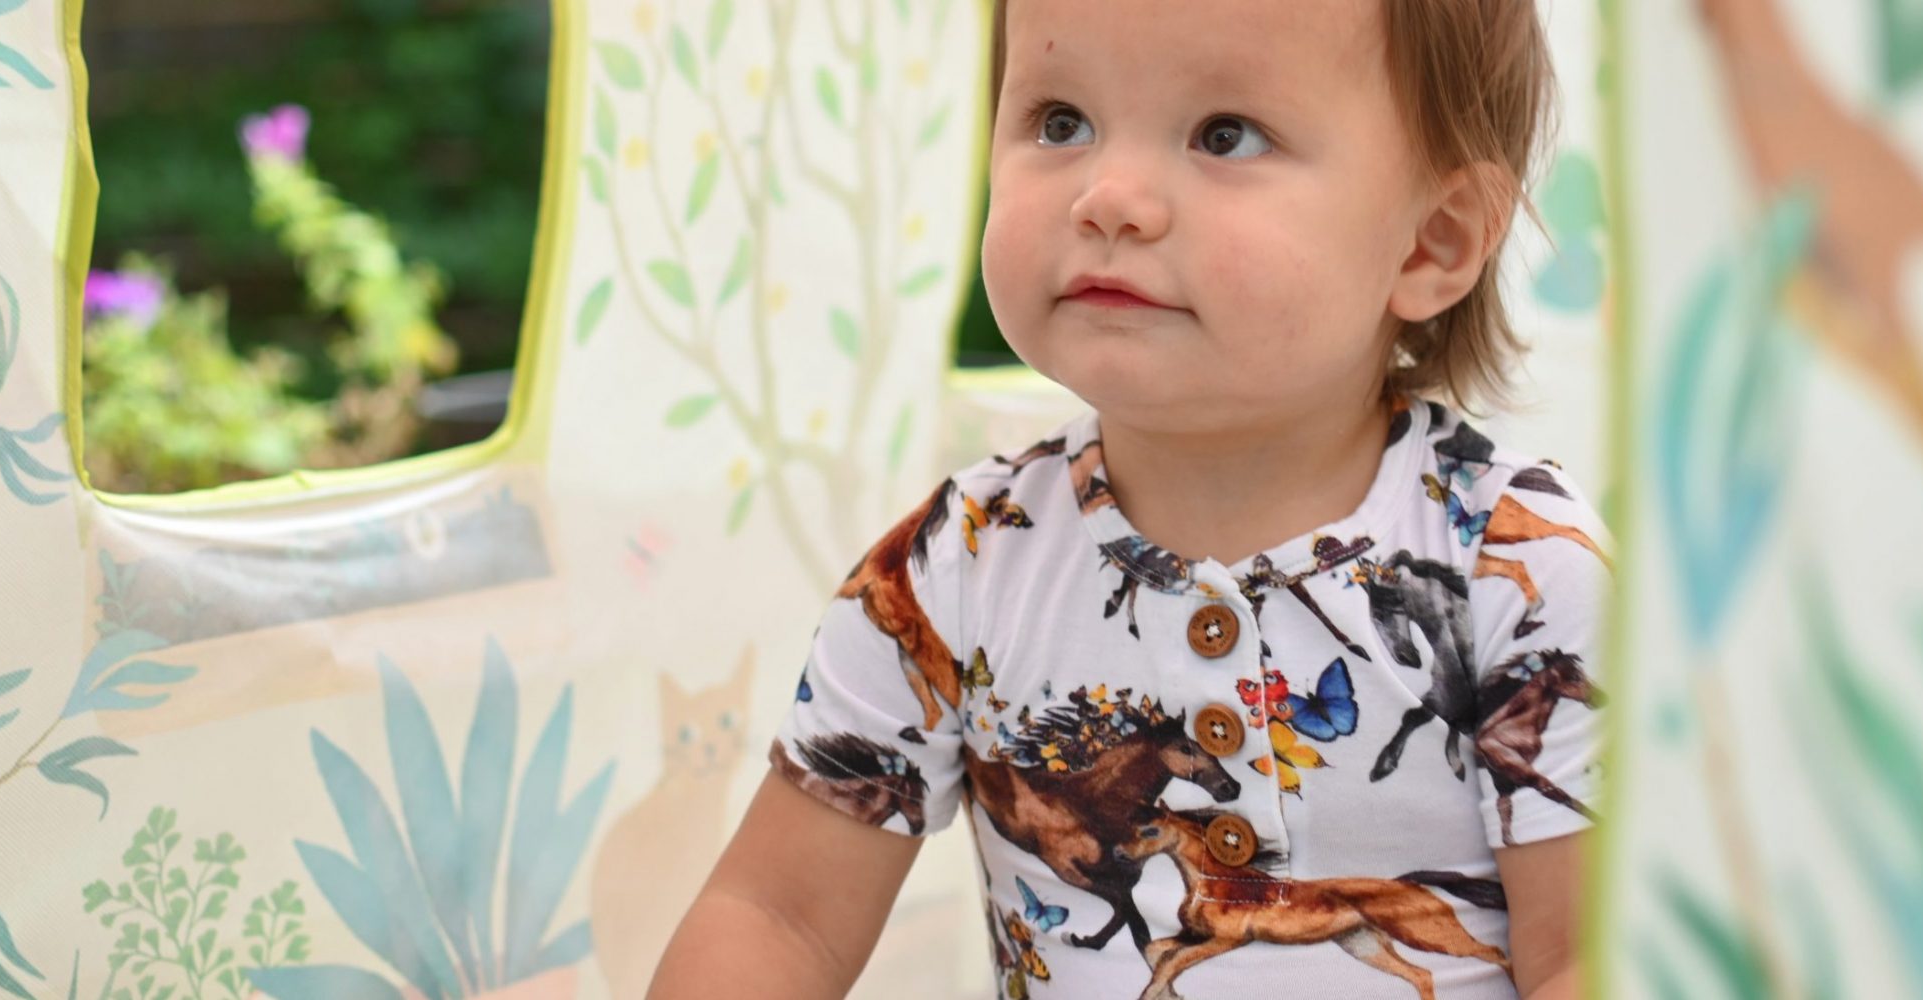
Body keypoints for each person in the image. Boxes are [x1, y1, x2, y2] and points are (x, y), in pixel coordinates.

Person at [653, 1, 1608, 997]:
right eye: (1060, 122)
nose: (1108, 198)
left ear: (1430, 244)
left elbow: (1588, 960)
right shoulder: (953, 569)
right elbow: (780, 917)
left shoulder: (1518, 570)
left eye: (1225, 136)